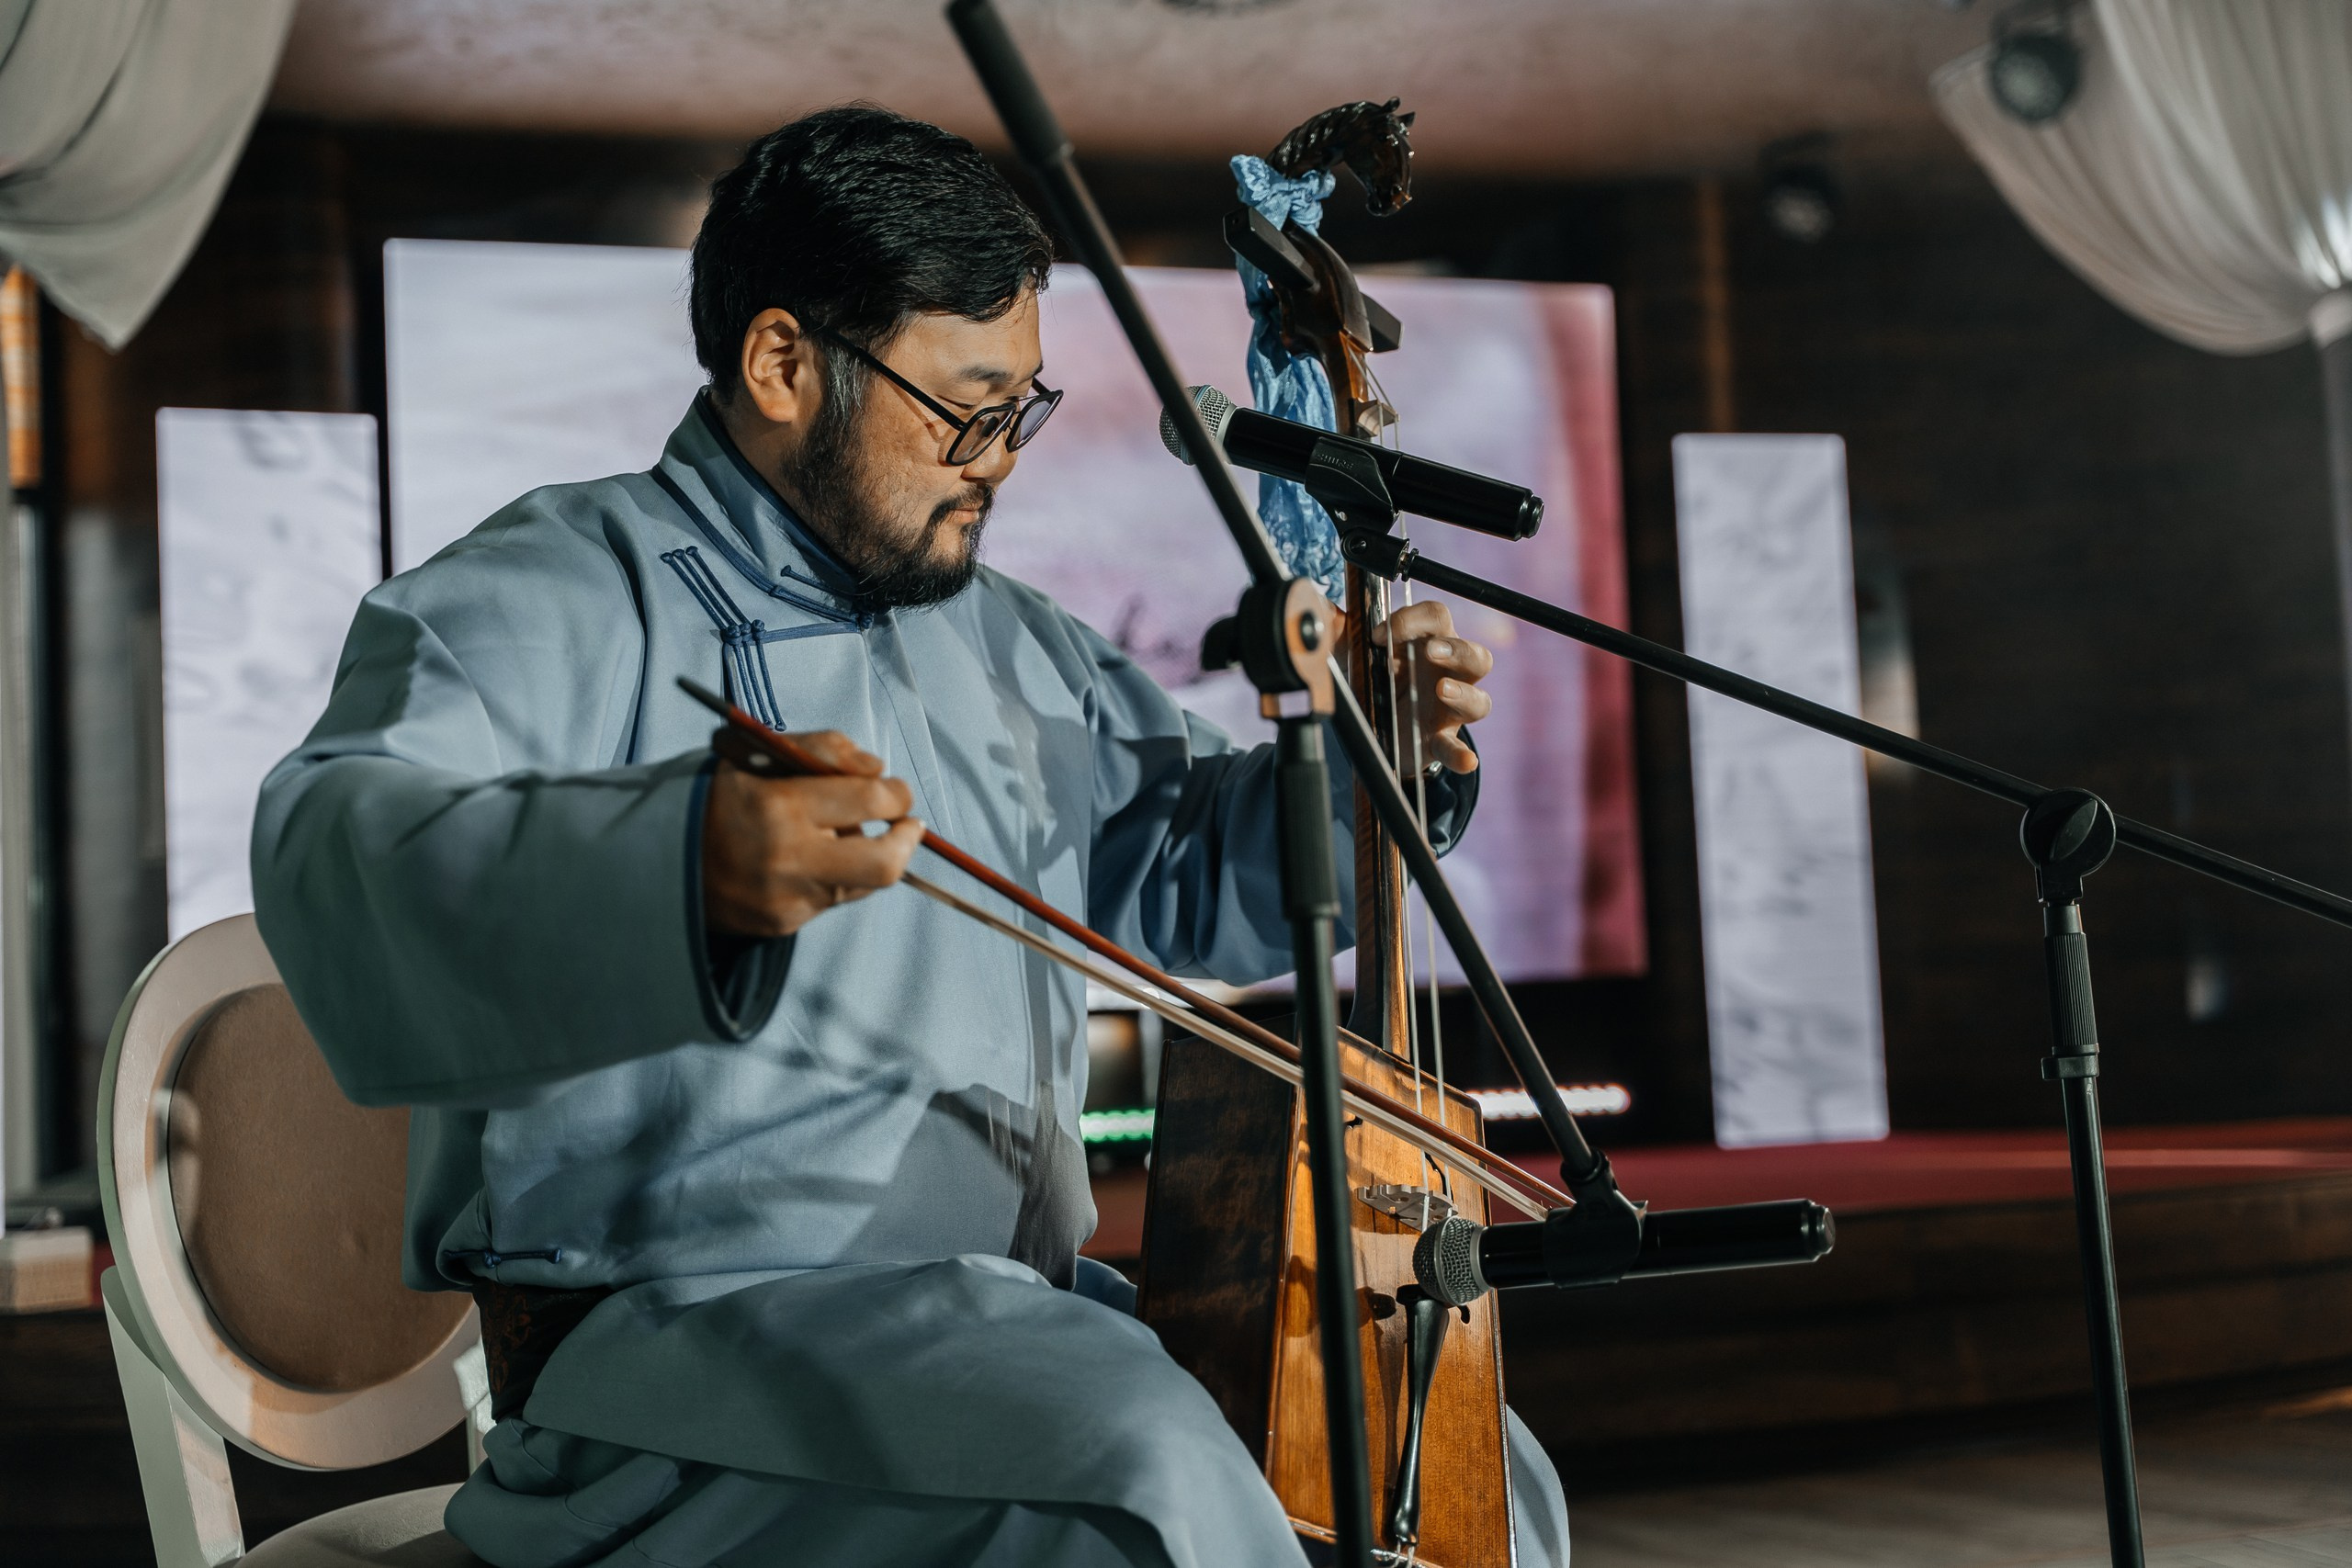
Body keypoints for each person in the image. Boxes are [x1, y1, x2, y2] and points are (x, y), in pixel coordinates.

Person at [254, 106, 1570, 1568]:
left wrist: (1372, 771)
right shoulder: (558, 588)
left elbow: (1199, 867)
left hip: (1009, 1326)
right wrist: (681, 866)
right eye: (966, 407)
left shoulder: (1015, 644)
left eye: (1025, 410)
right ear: (781, 363)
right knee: (1136, 1489)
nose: (1000, 459)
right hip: (673, 1371)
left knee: (1453, 1455)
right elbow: (336, 845)